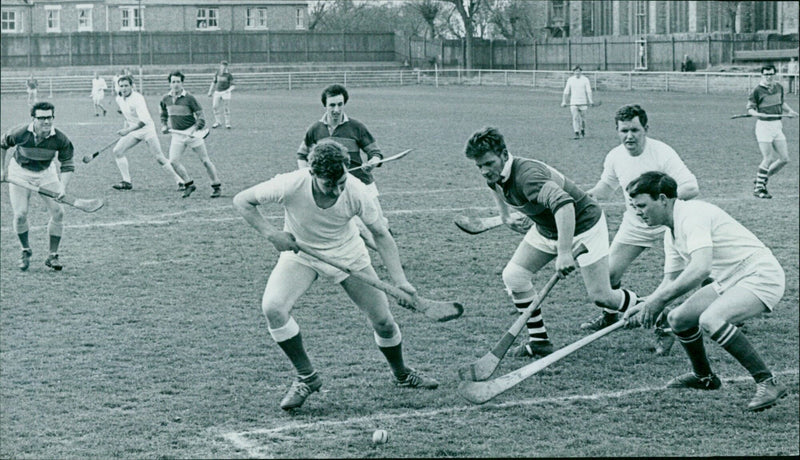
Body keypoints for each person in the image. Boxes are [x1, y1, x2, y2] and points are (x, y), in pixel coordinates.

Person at [233, 139, 438, 411]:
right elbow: (242, 200)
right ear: (312, 174)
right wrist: (272, 234)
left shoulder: (356, 191)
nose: (337, 190)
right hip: (302, 254)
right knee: (273, 308)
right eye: (329, 184)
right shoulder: (291, 184)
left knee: (384, 322)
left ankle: (401, 374)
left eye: (341, 181)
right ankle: (307, 377)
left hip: (349, 255)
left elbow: (381, 234)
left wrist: (400, 281)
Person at [464, 127, 640, 358]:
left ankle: (657, 310)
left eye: (488, 163)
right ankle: (539, 342)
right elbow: (496, 188)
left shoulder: (528, 176)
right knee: (514, 276)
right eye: (479, 166)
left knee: (602, 296)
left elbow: (564, 204)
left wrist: (565, 252)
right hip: (548, 229)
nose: (484, 171)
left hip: (583, 226)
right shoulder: (496, 175)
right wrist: (505, 216)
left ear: (505, 154)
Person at [623, 171, 787, 412]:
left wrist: (657, 302)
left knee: (711, 319)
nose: (638, 212)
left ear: (662, 199)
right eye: (635, 207)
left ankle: (768, 382)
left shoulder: (692, 215)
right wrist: (643, 304)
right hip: (730, 280)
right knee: (678, 319)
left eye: (642, 206)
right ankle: (704, 378)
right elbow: (669, 281)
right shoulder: (671, 230)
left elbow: (700, 269)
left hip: (760, 275)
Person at [581, 105, 698, 343]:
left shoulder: (662, 153)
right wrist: (584, 197)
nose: (629, 136)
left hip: (669, 224)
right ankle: (610, 316)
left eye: (635, 130)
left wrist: (659, 203)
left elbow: (691, 187)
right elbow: (605, 187)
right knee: (609, 274)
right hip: (635, 225)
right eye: (623, 131)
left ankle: (726, 313)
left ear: (645, 129)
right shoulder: (615, 156)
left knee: (701, 270)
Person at [297, 84, 388, 248]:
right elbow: (302, 155)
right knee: (361, 230)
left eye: (340, 104)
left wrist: (372, 162)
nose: (336, 109)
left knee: (379, 227)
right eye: (332, 105)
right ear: (325, 105)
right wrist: (307, 174)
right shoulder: (315, 130)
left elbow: (375, 153)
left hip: (363, 183)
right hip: (338, 187)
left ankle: (387, 244)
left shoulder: (356, 127)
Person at [0, 102, 75, 271]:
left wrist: (63, 187)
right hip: (20, 172)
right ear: (33, 119)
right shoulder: (20, 133)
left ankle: (53, 256)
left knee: (58, 212)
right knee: (20, 214)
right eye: (42, 118)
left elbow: (67, 164)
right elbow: (2, 144)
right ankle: (25, 251)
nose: (46, 122)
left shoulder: (60, 139)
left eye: (49, 117)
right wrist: (1, 170)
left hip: (45, 173)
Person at [110, 75, 186, 191]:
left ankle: (179, 180)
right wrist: (126, 128)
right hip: (133, 130)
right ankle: (127, 182)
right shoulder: (119, 99)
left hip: (146, 130)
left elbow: (144, 121)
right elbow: (127, 117)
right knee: (117, 151)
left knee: (159, 158)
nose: (124, 88)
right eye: (121, 86)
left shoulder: (138, 98)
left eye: (126, 86)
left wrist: (127, 130)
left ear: (131, 86)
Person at [159, 70, 222, 198]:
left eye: (178, 82)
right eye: (173, 82)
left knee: (205, 161)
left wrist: (195, 129)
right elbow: (163, 114)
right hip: (177, 135)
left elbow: (201, 116)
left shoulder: (189, 98)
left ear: (182, 83)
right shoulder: (166, 99)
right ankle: (189, 184)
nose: (175, 84)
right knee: (173, 162)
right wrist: (164, 125)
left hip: (192, 132)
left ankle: (216, 186)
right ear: (169, 84)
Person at [746, 64, 798, 199]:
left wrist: (790, 111)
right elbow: (750, 109)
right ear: (762, 75)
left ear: (774, 74)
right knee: (768, 158)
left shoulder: (778, 87)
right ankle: (759, 189)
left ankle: (761, 179)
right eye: (766, 74)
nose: (769, 77)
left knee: (784, 159)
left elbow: (781, 103)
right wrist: (757, 114)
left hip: (777, 125)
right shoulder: (757, 90)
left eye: (771, 74)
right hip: (764, 127)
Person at [561, 66, 594, 139]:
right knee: (575, 118)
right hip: (574, 102)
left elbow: (588, 91)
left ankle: (582, 130)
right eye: (575, 71)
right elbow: (566, 91)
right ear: (573, 72)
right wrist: (564, 101)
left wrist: (590, 100)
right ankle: (576, 133)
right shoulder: (570, 80)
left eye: (578, 71)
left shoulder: (585, 79)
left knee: (583, 118)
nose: (577, 73)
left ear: (581, 71)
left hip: (583, 102)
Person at [207, 60, 235, 129]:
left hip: (225, 92)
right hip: (217, 92)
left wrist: (228, 90)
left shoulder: (229, 75)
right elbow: (214, 82)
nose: (223, 67)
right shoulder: (217, 73)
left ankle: (227, 123)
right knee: (215, 106)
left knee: (226, 108)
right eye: (222, 66)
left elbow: (233, 85)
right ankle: (218, 122)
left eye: (225, 66)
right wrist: (210, 91)